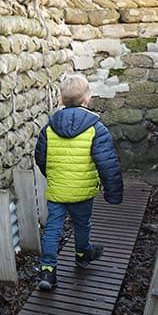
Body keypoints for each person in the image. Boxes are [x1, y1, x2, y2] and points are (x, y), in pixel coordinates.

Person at [33, 74, 123, 290]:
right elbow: (107, 163)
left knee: (53, 228)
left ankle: (47, 272)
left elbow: (40, 157)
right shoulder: (96, 129)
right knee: (82, 224)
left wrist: (53, 176)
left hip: (57, 191)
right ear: (87, 99)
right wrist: (113, 194)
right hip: (82, 192)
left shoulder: (49, 128)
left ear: (61, 100)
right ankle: (82, 255)